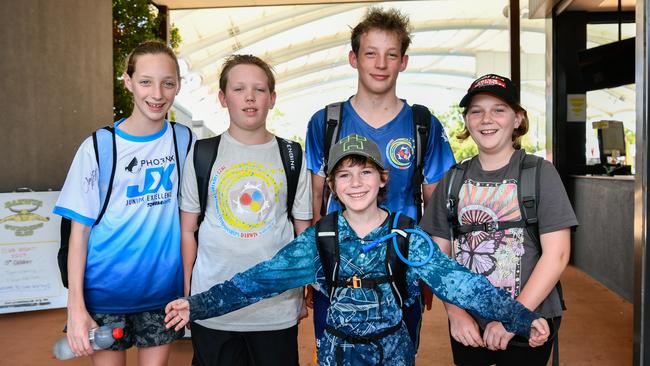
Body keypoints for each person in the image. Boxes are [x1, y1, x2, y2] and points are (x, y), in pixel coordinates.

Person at [164, 134, 550, 366]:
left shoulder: (406, 235)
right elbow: (255, 282)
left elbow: (461, 284)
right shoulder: (320, 241)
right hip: (337, 354)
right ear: (331, 185)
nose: (356, 183)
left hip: (395, 353)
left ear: (383, 179)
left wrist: (518, 316)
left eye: (365, 172)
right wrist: (196, 305)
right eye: (344, 175)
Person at [304, 6, 456, 350]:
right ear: (353, 58)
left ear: (403, 61)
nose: (381, 64)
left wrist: (430, 265)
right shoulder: (326, 122)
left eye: (391, 55)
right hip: (337, 269)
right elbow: (313, 200)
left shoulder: (422, 124)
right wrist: (313, 267)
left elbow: (436, 204)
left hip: (400, 269)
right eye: (370, 53)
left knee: (397, 355)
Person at [420, 74, 578, 366]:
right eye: (476, 111)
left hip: (530, 316)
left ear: (517, 119)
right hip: (470, 322)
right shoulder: (453, 180)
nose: (486, 119)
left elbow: (558, 254)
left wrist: (512, 318)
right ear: (467, 121)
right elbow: (435, 257)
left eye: (499, 110)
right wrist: (456, 314)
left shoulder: (539, 173)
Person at [53, 40, 194, 365]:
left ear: (178, 86)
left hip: (164, 296)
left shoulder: (184, 141)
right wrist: (76, 308)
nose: (157, 94)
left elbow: (192, 221)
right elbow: (79, 234)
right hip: (105, 296)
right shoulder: (98, 147)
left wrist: (189, 291)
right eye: (146, 81)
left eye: (167, 83)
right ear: (128, 81)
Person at [178, 54, 312, 366]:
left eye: (259, 89)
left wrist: (303, 289)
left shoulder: (291, 155)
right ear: (223, 98)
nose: (249, 97)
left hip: (275, 306)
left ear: (272, 98)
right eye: (239, 89)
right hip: (213, 305)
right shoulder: (202, 153)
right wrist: (189, 294)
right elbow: (188, 229)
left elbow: (303, 232)